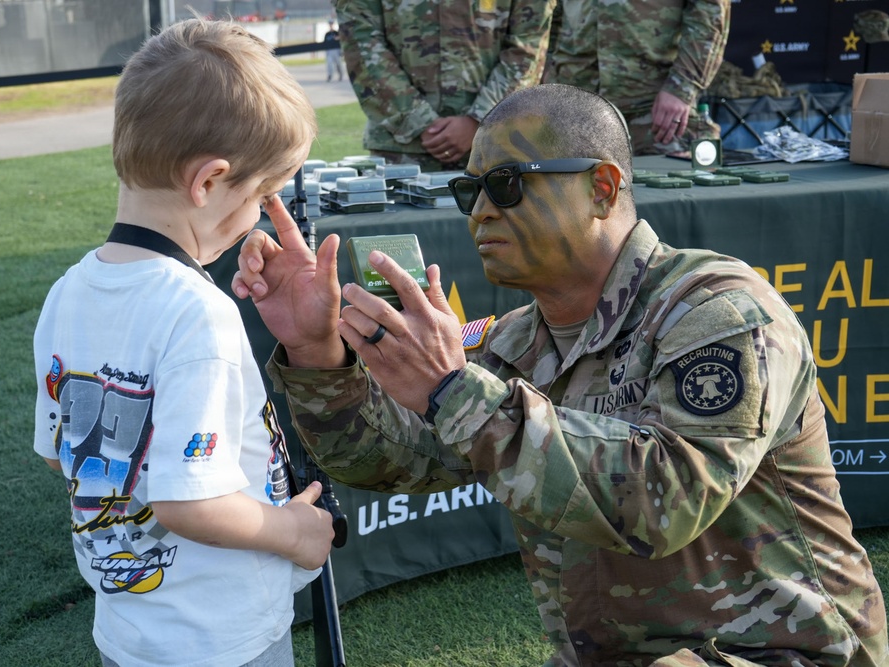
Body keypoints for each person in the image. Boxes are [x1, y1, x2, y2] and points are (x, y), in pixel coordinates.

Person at [233, 83, 889, 665]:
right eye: (470, 189)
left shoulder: (719, 310)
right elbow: (398, 461)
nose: (480, 211)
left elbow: (666, 502)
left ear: (601, 188)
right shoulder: (519, 338)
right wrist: (319, 355)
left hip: (782, 650)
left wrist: (454, 389)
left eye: (508, 184)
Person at [32, 19, 334, 667]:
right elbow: (188, 501)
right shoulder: (200, 313)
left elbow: (62, 456)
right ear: (208, 182)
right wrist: (297, 532)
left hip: (129, 626)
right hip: (220, 633)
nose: (258, 215)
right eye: (260, 196)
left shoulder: (68, 292)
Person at [334, 0, 556, 171]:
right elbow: (361, 42)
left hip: (496, 146)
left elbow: (528, 46)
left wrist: (481, 120)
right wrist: (418, 121)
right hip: (402, 148)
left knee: (501, 228)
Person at [543, 0, 730, 155]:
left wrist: (682, 88)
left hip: (652, 105)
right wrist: (548, 68)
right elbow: (549, 14)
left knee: (671, 191)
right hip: (576, 102)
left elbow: (709, 17)